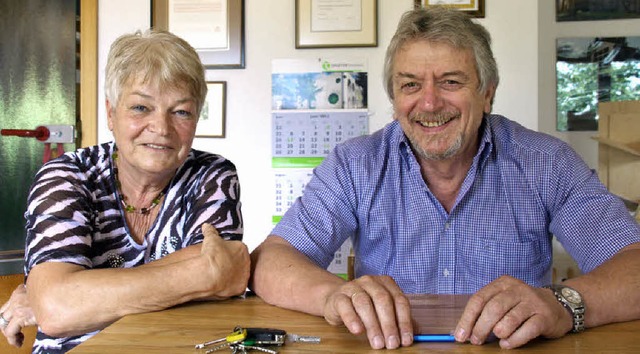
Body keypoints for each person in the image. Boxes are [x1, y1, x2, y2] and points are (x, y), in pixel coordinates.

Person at [249, 6, 640, 350]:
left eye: (451, 81)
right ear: (394, 99)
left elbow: (633, 265)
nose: (430, 103)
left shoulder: (546, 163)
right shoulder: (355, 165)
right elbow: (271, 263)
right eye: (410, 85)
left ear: (487, 93)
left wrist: (562, 304)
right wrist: (333, 297)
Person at [0, 29, 250, 353]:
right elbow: (56, 310)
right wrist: (203, 274)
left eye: (181, 111)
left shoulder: (212, 175)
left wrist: (74, 296)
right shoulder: (67, 176)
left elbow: (226, 283)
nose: (161, 128)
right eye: (141, 108)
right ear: (110, 113)